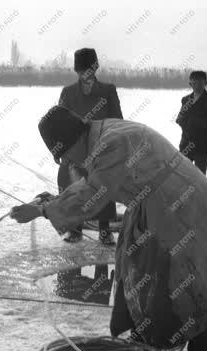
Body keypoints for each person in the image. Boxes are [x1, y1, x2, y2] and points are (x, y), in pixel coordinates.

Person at [10, 106, 207, 351]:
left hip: (179, 207)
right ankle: (146, 335)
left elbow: (92, 195)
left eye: (63, 154)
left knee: (183, 279)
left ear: (73, 139)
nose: (67, 161)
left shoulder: (110, 144)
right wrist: (52, 202)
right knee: (136, 261)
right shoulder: (102, 134)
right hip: (157, 203)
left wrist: (43, 210)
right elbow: (93, 183)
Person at [57, 48, 123, 245]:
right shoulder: (68, 93)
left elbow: (117, 120)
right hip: (75, 151)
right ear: (76, 70)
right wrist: (60, 149)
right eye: (82, 69)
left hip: (101, 148)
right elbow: (59, 122)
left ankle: (105, 230)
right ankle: (75, 229)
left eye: (89, 68)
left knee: (102, 188)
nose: (86, 73)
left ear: (95, 68)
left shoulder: (108, 90)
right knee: (74, 188)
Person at [175, 71, 207, 174]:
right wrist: (186, 124)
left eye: (200, 83)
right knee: (183, 175)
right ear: (190, 84)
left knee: (199, 177)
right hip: (185, 144)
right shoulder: (186, 99)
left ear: (206, 83)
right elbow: (179, 118)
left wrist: (197, 122)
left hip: (203, 145)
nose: (197, 85)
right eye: (194, 83)